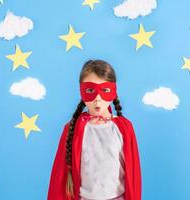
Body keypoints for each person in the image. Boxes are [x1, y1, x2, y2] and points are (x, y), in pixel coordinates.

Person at [47, 59, 142, 200]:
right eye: (90, 90)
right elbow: (59, 177)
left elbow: (133, 174)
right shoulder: (72, 129)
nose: (97, 99)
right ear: (82, 91)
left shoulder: (124, 128)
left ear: (113, 91)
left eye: (105, 90)